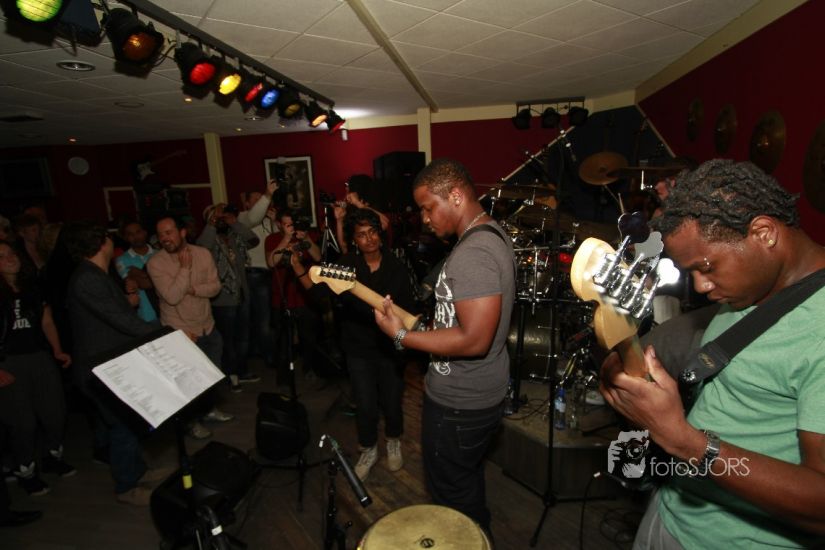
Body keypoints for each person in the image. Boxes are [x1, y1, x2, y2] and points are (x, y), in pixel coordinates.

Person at [600, 160, 825, 548]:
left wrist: (686, 443)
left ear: (764, 233)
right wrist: (631, 367)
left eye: (706, 267)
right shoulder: (752, 287)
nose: (701, 286)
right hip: (671, 512)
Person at [373, 158, 515, 535]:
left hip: (460, 405)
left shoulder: (474, 252)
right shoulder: (488, 234)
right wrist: (431, 326)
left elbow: (475, 339)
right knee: (465, 484)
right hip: (476, 395)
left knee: (452, 501)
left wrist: (400, 336)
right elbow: (466, 322)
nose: (424, 219)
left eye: (427, 207)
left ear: (455, 196)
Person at [294, 208, 415, 480]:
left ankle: (393, 440)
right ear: (354, 240)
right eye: (362, 235)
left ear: (380, 235)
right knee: (365, 403)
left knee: (392, 401)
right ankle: (368, 448)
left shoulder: (395, 266)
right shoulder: (346, 265)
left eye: (373, 232)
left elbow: (407, 308)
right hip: (357, 348)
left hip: (390, 348)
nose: (369, 239)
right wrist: (298, 268)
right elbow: (319, 292)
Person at [64, 221, 160, 506]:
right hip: (100, 368)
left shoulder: (97, 274)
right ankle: (126, 486)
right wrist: (167, 332)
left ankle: (137, 471)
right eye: (108, 237)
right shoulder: (87, 278)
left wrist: (128, 301)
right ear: (101, 243)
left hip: (111, 362)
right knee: (122, 426)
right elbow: (121, 321)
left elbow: (110, 314)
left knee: (128, 422)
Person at [147, 217, 233, 439]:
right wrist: (184, 269)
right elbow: (172, 296)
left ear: (182, 232)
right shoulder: (156, 263)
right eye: (161, 234)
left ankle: (208, 410)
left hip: (207, 325)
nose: (164, 238)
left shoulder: (202, 254)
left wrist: (193, 290)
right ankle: (191, 422)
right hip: (181, 331)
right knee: (188, 383)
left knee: (211, 376)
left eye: (169, 232)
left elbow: (215, 287)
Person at [0, 241, 74, 497]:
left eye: (11, 253)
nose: (10, 258)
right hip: (8, 361)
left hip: (39, 356)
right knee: (23, 422)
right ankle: (26, 472)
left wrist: (57, 350)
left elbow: (47, 321)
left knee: (55, 412)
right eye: (2, 256)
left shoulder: (33, 286)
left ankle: (52, 457)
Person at [197, 203, 260, 391]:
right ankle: (231, 375)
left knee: (243, 337)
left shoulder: (234, 236)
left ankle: (242, 370)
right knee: (228, 339)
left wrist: (235, 223)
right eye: (217, 215)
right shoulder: (208, 240)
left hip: (242, 293)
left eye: (223, 214)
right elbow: (202, 248)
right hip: (222, 298)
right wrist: (212, 223)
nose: (221, 217)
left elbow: (253, 240)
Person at [265, 210, 323, 388]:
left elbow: (318, 256)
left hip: (304, 297)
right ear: (279, 225)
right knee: (283, 341)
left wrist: (306, 238)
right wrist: (286, 239)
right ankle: (283, 376)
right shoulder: (273, 239)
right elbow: (271, 262)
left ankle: (310, 369)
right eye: (287, 224)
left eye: (293, 223)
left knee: (309, 337)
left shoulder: (305, 236)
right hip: (282, 298)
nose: (291, 227)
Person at [239, 180, 280, 371]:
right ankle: (268, 357)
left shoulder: (266, 219)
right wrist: (268, 194)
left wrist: (275, 222)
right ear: (246, 203)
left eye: (261, 199)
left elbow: (278, 242)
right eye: (255, 200)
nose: (260, 202)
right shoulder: (243, 218)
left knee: (269, 318)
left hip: (270, 274)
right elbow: (254, 217)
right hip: (253, 274)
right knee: (260, 320)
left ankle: (268, 352)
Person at [115, 220, 158, 323]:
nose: (135, 236)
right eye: (130, 234)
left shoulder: (160, 254)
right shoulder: (121, 260)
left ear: (145, 232)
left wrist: (139, 274)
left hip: (167, 313)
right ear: (126, 238)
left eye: (138, 232)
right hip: (143, 315)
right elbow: (132, 283)